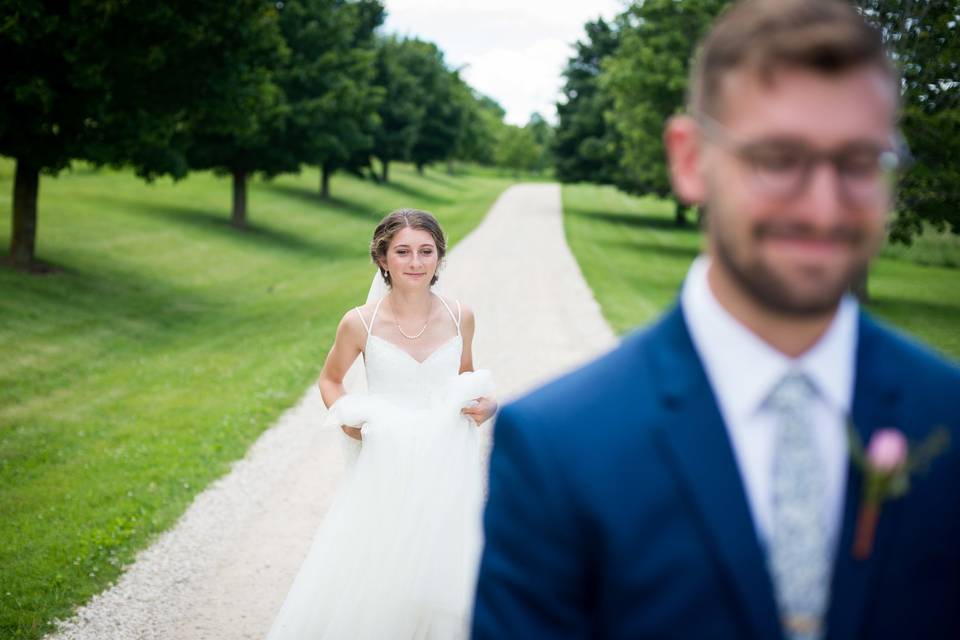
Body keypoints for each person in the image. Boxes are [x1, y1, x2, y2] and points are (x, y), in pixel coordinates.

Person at [471, 1, 960, 639]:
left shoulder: (946, 416)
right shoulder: (556, 447)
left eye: (859, 163)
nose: (822, 206)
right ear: (690, 159)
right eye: (778, 159)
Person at [266, 208, 497, 639]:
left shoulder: (461, 315)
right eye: (403, 252)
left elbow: (467, 380)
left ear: (439, 257)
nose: (416, 262)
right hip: (385, 459)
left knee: (443, 563)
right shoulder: (360, 322)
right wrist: (347, 419)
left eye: (426, 251)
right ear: (382, 258)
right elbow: (330, 379)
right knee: (380, 559)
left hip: (447, 459)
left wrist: (487, 407)